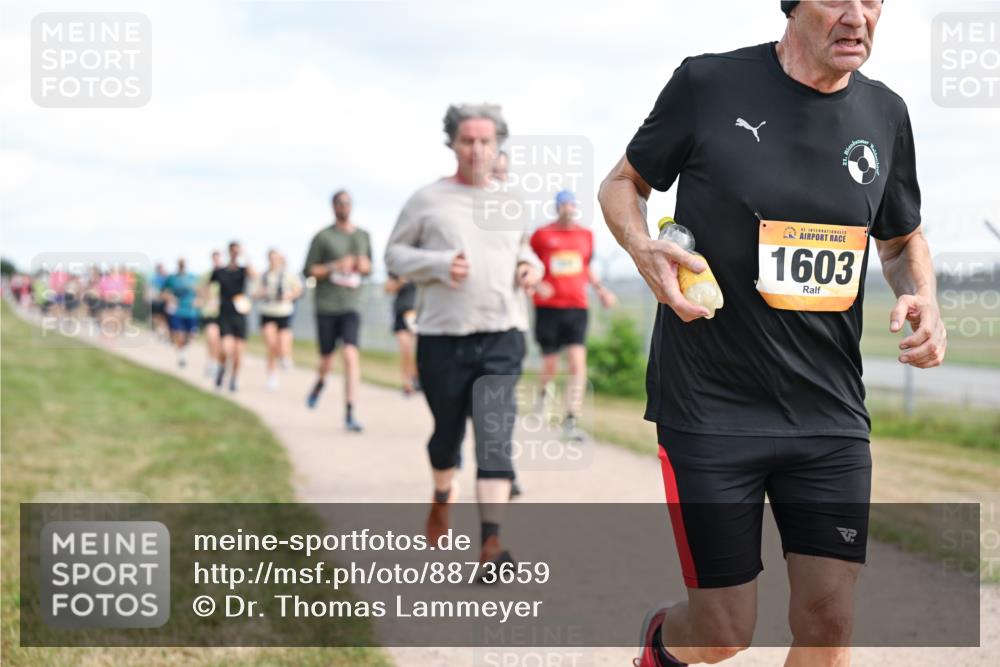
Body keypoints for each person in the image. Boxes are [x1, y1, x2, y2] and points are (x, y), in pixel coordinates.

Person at [598, 3, 944, 666]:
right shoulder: (707, 85)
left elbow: (900, 240)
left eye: (872, 0)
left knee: (829, 618)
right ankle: (656, 646)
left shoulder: (886, 114)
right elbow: (622, 185)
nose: (857, 16)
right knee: (723, 630)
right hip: (710, 403)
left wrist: (921, 293)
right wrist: (644, 252)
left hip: (828, 411)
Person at [385, 103, 541, 567]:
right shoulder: (426, 200)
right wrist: (435, 265)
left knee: (494, 438)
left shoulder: (511, 201)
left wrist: (532, 266)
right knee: (446, 437)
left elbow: (523, 248)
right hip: (441, 337)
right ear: (452, 143)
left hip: (502, 334)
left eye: (485, 141)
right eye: (467, 140)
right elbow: (393, 255)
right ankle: (440, 495)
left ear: (498, 146)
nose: (477, 149)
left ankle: (491, 542)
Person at [530, 189, 616, 440]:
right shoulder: (541, 235)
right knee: (551, 364)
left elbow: (586, 266)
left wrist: (601, 291)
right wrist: (536, 285)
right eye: (563, 205)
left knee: (578, 364)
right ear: (557, 208)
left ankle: (570, 418)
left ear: (575, 208)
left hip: (577, 307)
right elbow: (527, 263)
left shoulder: (586, 235)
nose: (568, 208)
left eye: (571, 205)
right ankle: (542, 401)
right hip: (548, 307)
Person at [303, 190, 372, 432]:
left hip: (351, 304)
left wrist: (363, 266)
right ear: (333, 206)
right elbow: (309, 270)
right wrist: (334, 266)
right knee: (327, 359)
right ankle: (320, 382)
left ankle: (350, 411)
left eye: (347, 203)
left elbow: (368, 267)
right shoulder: (323, 237)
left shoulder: (363, 236)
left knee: (351, 355)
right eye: (340, 203)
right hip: (326, 305)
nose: (344, 207)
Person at [255, 249, 304, 390]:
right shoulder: (263, 275)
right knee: (271, 345)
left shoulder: (288, 274)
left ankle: (285, 357)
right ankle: (272, 376)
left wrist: (289, 295)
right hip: (267, 311)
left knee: (283, 343)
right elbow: (254, 292)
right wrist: (260, 293)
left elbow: (298, 290)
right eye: (271, 258)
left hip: (283, 312)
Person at [210, 242, 256, 392]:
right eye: (233, 251)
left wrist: (245, 255)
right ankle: (222, 368)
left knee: (238, 352)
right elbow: (208, 286)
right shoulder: (220, 271)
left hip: (240, 313)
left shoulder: (243, 270)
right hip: (225, 313)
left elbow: (254, 275)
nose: (235, 254)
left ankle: (234, 378)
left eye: (237, 252)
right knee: (225, 348)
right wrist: (209, 301)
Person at [384, 273, 419, 395]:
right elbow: (387, 289)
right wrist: (400, 282)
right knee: (406, 351)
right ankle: (407, 383)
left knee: (418, 351)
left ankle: (416, 378)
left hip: (416, 314)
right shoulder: (396, 271)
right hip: (401, 315)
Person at [161, 258, 200, 368]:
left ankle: (183, 349)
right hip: (177, 310)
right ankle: (181, 355)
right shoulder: (172, 278)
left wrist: (198, 300)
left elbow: (199, 291)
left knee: (191, 334)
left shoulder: (192, 278)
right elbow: (163, 293)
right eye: (180, 263)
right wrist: (170, 298)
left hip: (190, 311)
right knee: (177, 333)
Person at [198, 251, 224, 380]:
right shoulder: (207, 275)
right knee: (211, 337)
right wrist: (206, 298)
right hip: (209, 311)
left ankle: (216, 362)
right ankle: (211, 361)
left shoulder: (226, 274)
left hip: (223, 313)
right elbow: (199, 289)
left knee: (219, 341)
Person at [149, 263, 170, 340]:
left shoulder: (166, 278)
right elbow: (151, 289)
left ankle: (162, 331)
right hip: (155, 300)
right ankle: (159, 330)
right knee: (155, 317)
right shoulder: (154, 278)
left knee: (163, 318)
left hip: (163, 301)